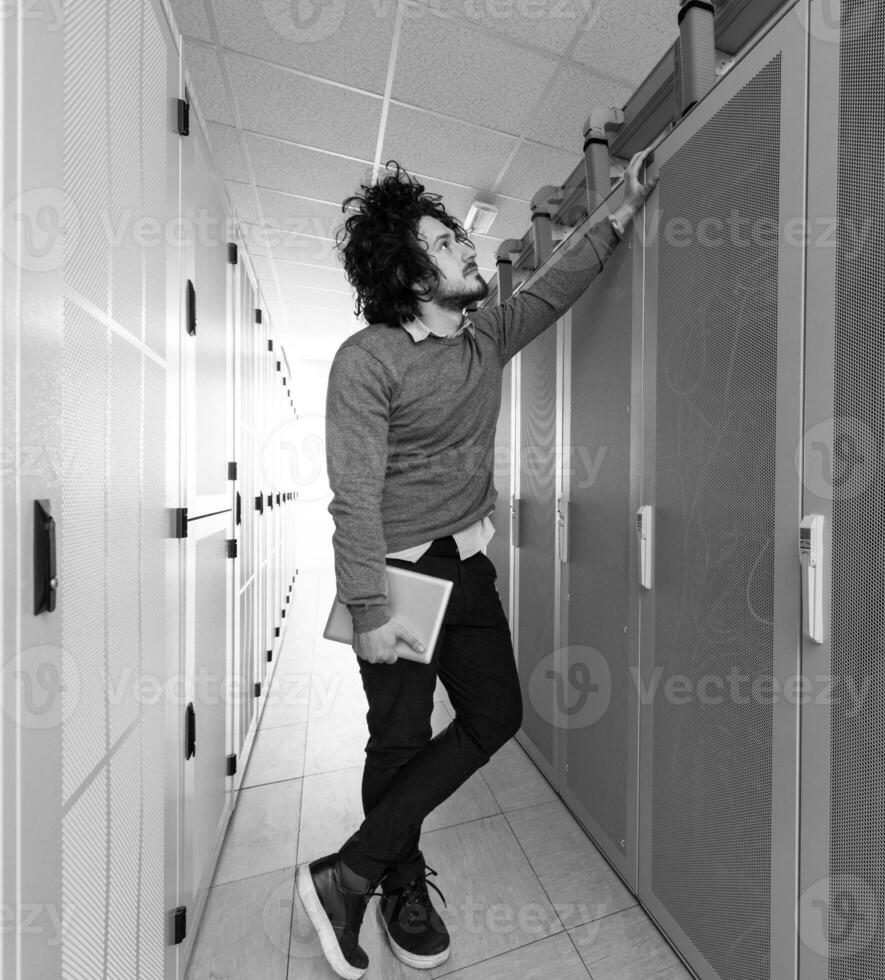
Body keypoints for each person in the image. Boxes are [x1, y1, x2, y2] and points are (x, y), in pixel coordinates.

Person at [297, 147, 658, 978]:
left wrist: (622, 209)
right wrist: (367, 610)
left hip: (465, 563)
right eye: (446, 241)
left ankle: (347, 873)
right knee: (396, 740)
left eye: (460, 234)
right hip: (397, 575)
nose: (465, 246)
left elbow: (556, 286)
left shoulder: (484, 336)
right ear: (412, 274)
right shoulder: (369, 359)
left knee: (496, 714)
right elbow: (351, 492)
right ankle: (394, 886)